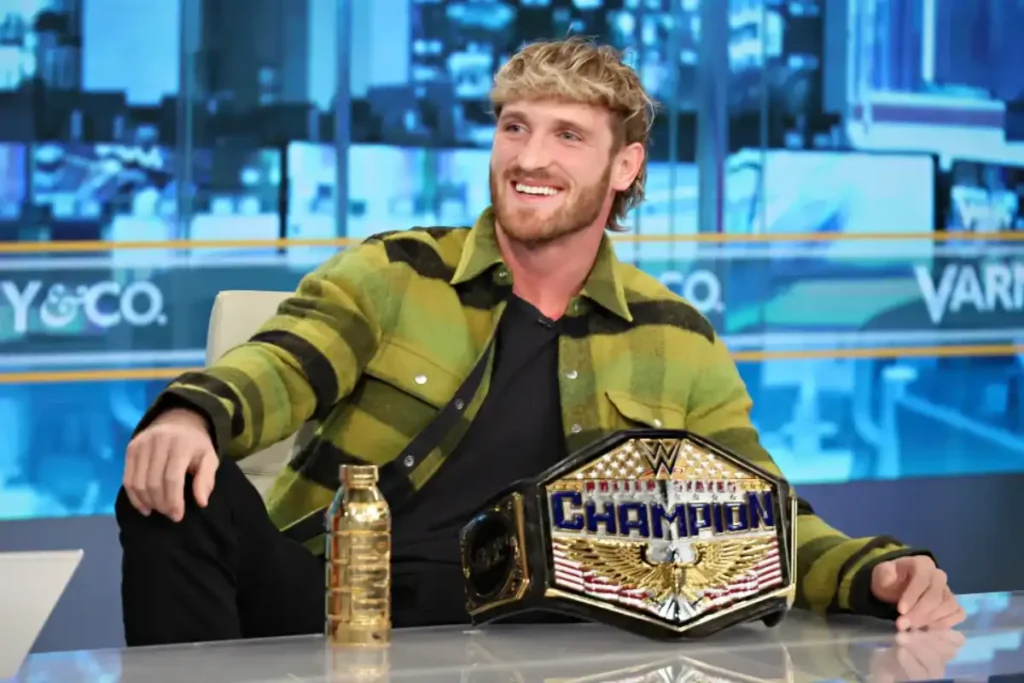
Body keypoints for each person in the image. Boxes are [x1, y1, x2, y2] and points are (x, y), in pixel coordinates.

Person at [116, 37, 964, 647]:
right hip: (339, 603)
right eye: (515, 127)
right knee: (177, 487)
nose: (529, 157)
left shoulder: (676, 335)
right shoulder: (396, 270)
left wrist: (876, 572)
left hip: (537, 642)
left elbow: (759, 518)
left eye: (568, 135)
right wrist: (194, 414)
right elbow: (282, 362)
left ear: (625, 167)